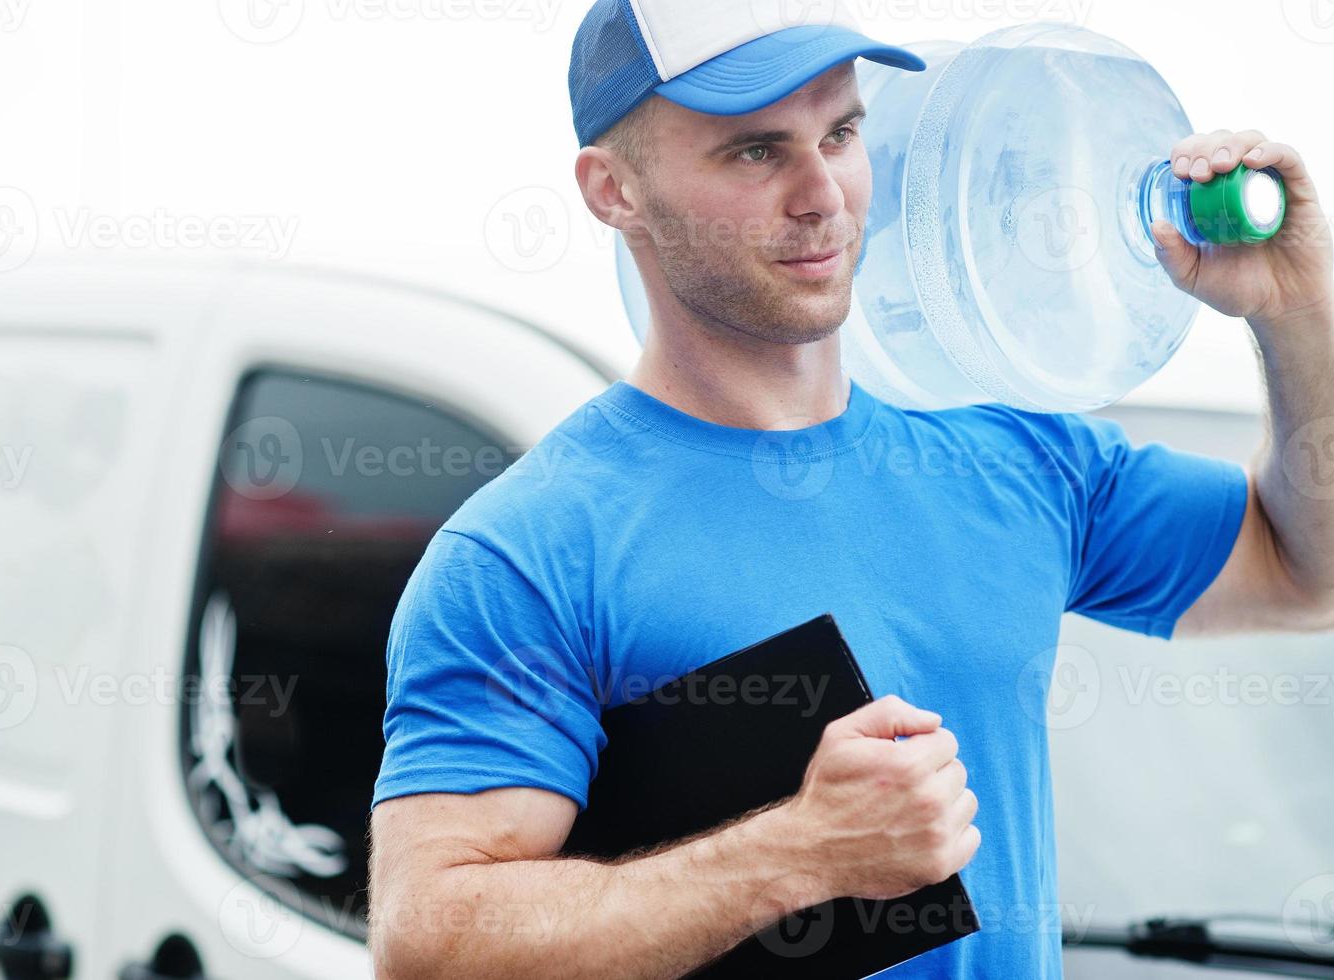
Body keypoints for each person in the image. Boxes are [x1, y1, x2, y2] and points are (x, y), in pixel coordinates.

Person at [366, 1, 1334, 977]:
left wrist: (1296, 315)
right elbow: (432, 941)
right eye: (755, 152)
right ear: (613, 190)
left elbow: (1309, 572)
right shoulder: (531, 549)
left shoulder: (1009, 449)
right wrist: (794, 851)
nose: (822, 192)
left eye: (842, 131)